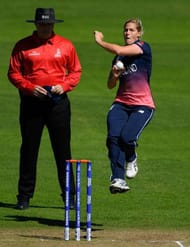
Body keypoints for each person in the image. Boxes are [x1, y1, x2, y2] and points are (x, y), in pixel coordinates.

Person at [8, 8, 82, 209]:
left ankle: (69, 196)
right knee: (29, 149)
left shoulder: (65, 45)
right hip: (32, 102)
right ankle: (24, 196)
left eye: (48, 24)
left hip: (58, 103)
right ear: (36, 24)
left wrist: (64, 86)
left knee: (62, 150)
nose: (45, 27)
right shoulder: (22, 46)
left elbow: (75, 71)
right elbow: (14, 74)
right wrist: (30, 88)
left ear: (53, 25)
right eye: (42, 24)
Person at [94, 19, 155, 194]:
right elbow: (110, 85)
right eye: (125, 30)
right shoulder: (119, 58)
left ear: (138, 33)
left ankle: (131, 157)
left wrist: (99, 41)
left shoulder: (143, 47)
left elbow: (118, 48)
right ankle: (118, 178)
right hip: (121, 103)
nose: (127, 33)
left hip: (142, 104)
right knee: (113, 138)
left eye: (131, 30)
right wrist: (114, 75)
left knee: (127, 138)